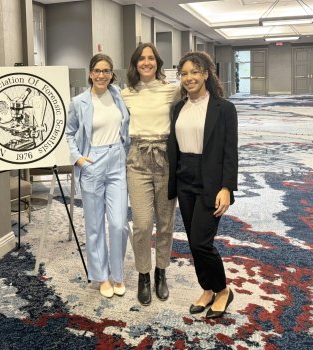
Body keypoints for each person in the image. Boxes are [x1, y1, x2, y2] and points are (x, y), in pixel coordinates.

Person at [168, 51, 238, 318]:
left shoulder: (224, 108)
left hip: (211, 181)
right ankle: (207, 289)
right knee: (192, 239)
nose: (189, 78)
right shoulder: (178, 108)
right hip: (185, 178)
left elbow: (230, 152)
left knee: (201, 242)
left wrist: (226, 188)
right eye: (184, 74)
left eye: (195, 72)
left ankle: (222, 290)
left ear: (206, 74)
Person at [65, 54, 130, 298]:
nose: (101, 75)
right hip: (92, 161)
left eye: (106, 71)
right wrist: (79, 158)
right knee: (94, 225)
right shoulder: (79, 101)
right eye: (97, 70)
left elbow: (127, 128)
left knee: (118, 223)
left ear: (112, 74)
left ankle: (118, 274)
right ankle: (101, 276)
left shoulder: (119, 96)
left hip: (117, 161)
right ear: (90, 73)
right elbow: (69, 133)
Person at [121, 43, 180, 306]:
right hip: (138, 158)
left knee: (165, 222)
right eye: (142, 58)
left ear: (158, 62)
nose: (147, 62)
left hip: (165, 158)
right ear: (135, 64)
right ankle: (143, 274)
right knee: (143, 224)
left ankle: (161, 273)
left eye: (151, 58)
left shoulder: (172, 90)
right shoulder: (126, 93)